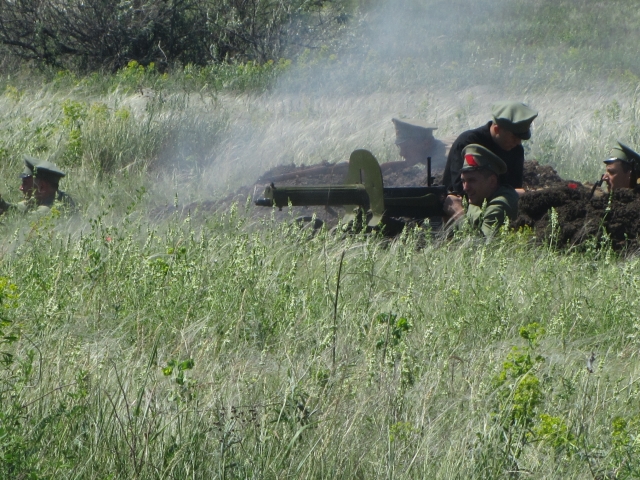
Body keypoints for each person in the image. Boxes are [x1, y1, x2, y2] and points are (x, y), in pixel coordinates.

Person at [442, 101, 538, 195]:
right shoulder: (468, 142)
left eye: (520, 139)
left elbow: (514, 186)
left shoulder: (516, 149)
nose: (518, 142)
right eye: (514, 137)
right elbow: (461, 188)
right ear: (497, 129)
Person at [443, 144, 519, 237]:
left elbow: (481, 246)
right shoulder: (479, 199)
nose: (465, 188)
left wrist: (458, 213)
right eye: (463, 181)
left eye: (472, 180)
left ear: (492, 181)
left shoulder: (500, 205)